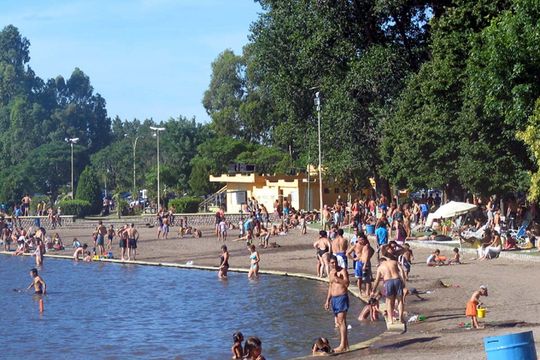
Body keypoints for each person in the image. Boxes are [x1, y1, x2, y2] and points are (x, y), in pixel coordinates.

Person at [324, 255, 349, 352]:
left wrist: (337, 279)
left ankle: (342, 345)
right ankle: (345, 344)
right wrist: (328, 300)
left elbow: (347, 283)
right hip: (334, 299)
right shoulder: (331, 272)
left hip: (342, 297)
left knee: (341, 321)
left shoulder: (342, 271)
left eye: (335, 262)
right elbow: (330, 286)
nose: (334, 264)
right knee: (338, 322)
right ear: (329, 264)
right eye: (332, 263)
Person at [371, 257, 406, 325]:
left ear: (380, 262)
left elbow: (377, 280)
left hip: (388, 282)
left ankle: (390, 319)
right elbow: (401, 270)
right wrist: (403, 281)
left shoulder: (380, 267)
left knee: (389, 301)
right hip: (397, 280)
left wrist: (373, 290)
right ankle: (401, 318)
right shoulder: (394, 262)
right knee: (400, 300)